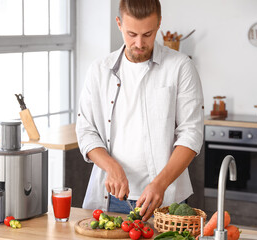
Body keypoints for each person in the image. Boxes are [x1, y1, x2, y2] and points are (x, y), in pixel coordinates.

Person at [75, 0, 204, 222]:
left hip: (165, 199)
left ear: (159, 24)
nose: (139, 43)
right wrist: (111, 166)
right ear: (119, 23)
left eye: (148, 34)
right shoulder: (99, 69)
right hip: (110, 198)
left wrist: (159, 184)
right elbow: (86, 130)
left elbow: (191, 134)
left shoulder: (180, 67)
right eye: (131, 33)